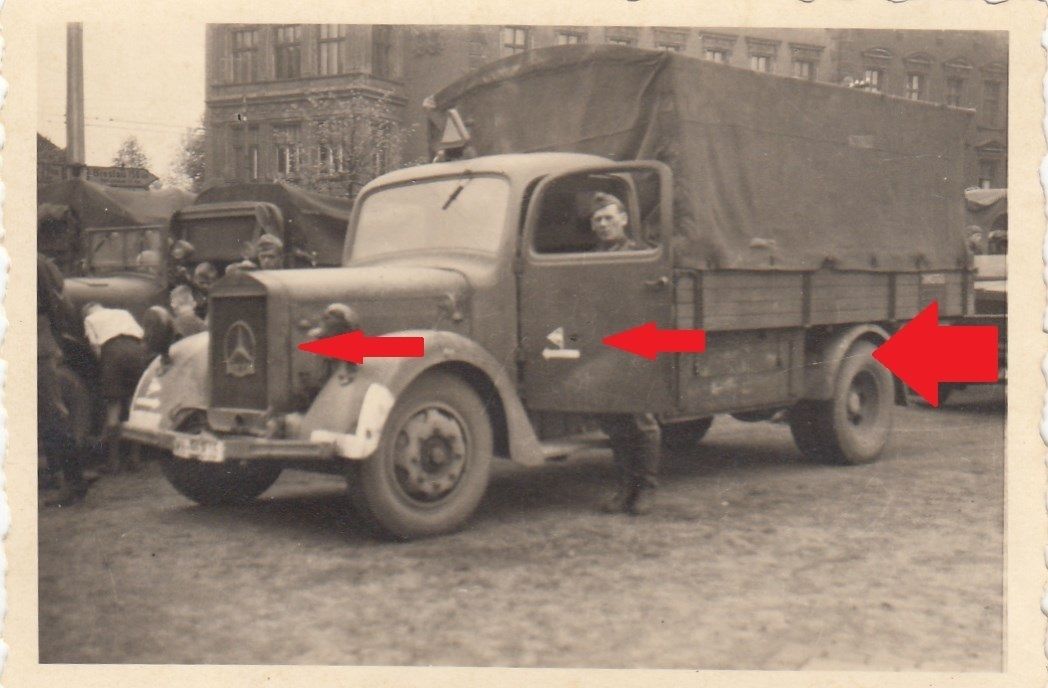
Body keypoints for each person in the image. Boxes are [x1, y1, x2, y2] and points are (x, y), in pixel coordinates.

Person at [587, 192, 662, 515]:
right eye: (598, 220)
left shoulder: (640, 255)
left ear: (624, 220)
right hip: (604, 346)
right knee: (614, 421)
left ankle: (646, 489)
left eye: (609, 217)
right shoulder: (590, 258)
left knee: (641, 420)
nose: (604, 224)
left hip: (634, 343)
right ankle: (624, 488)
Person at [38, 253, 89, 506]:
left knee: (52, 413)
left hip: (35, 347)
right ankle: (53, 474)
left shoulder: (35, 263)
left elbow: (57, 303)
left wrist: (56, 340)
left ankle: (73, 481)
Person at [82, 302, 150, 473]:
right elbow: (143, 336)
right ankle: (135, 459)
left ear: (88, 312)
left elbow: (94, 345)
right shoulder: (123, 312)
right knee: (134, 407)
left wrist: (103, 365)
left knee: (114, 406)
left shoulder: (89, 319)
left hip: (113, 353)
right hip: (136, 352)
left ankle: (113, 463)